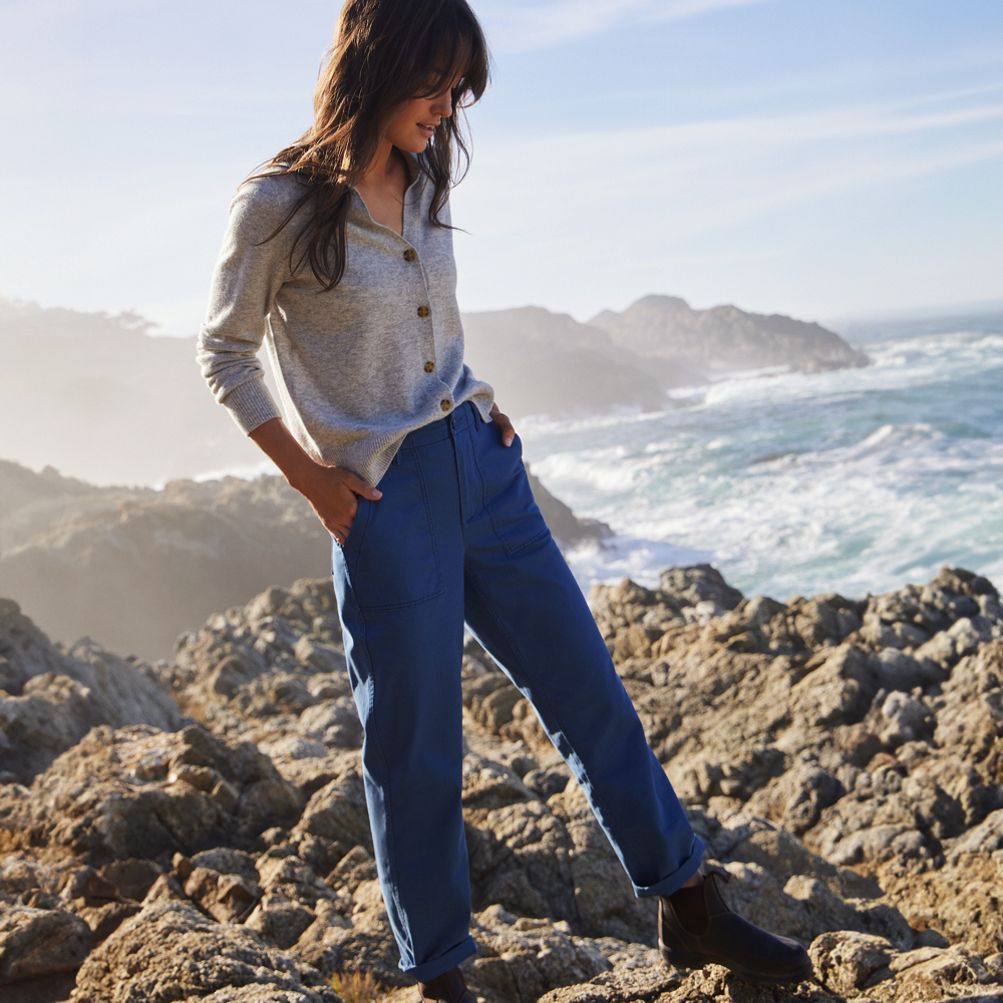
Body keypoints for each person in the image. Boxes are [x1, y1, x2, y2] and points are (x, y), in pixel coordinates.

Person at [195, 1, 813, 1000]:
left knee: (589, 693)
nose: (448, 108)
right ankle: (441, 977)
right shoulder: (278, 203)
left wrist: (477, 399)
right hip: (386, 500)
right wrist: (313, 480)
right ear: (379, 62)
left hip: (484, 467)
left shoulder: (425, 169)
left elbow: (424, 323)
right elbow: (224, 351)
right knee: (417, 752)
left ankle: (689, 902)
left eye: (458, 91)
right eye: (435, 85)